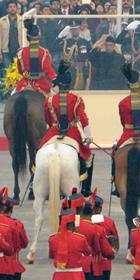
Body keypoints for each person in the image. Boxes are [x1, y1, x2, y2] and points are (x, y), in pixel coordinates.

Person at [41, 66, 95, 194]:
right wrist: (88, 136)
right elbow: (83, 119)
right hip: (72, 132)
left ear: (58, 85)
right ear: (69, 84)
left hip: (54, 132)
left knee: (39, 151)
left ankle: (34, 183)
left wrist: (55, 126)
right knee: (87, 156)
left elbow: (48, 120)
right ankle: (86, 189)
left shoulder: (49, 100)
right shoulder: (77, 99)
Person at [12, 19, 57, 94]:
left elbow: (20, 71)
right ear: (39, 37)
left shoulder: (21, 52)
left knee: (12, 95)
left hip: (25, 83)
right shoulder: (43, 52)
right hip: (41, 84)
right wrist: (55, 79)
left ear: (28, 38)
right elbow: (48, 69)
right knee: (53, 100)